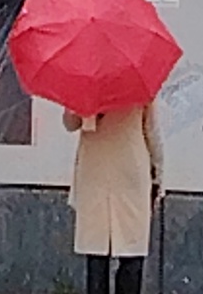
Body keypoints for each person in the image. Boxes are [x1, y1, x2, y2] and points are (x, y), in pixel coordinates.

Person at [65, 88, 161, 294]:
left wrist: (81, 104)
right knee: (130, 251)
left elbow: (69, 124)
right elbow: (151, 131)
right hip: (129, 170)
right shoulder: (138, 85)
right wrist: (158, 173)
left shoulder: (86, 85)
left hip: (96, 171)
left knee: (97, 254)